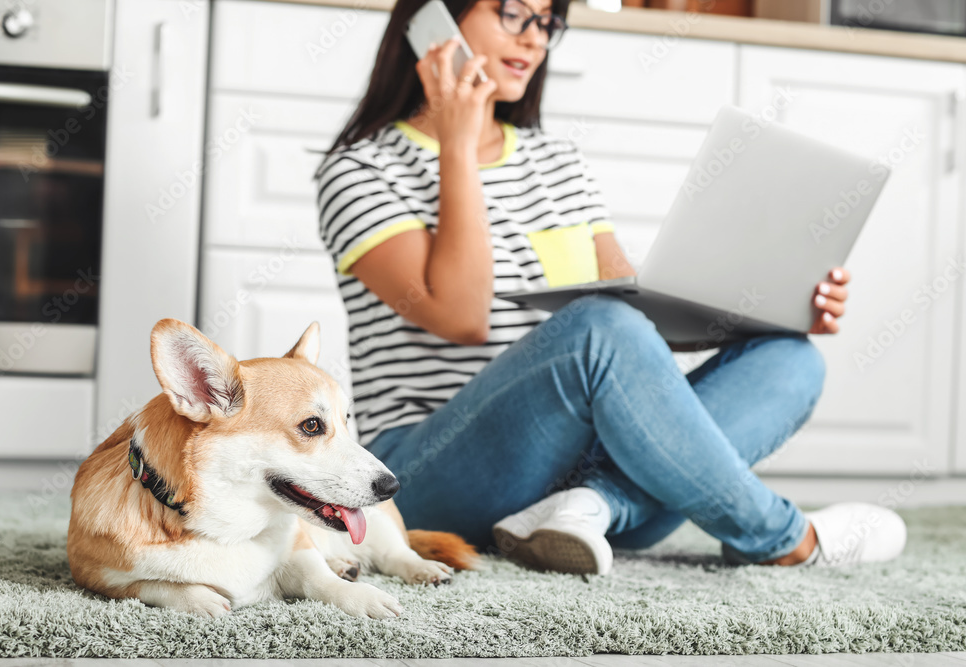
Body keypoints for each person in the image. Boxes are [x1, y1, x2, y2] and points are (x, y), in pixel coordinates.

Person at [313, 0, 906, 575]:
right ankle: (785, 538)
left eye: (547, 21)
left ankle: (588, 508)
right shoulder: (359, 170)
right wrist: (459, 147)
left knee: (791, 360)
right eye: (512, 14)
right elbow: (464, 314)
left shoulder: (558, 163)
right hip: (429, 474)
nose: (534, 38)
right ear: (433, 23)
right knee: (599, 326)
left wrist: (776, 306)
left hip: (574, 468)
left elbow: (637, 326)